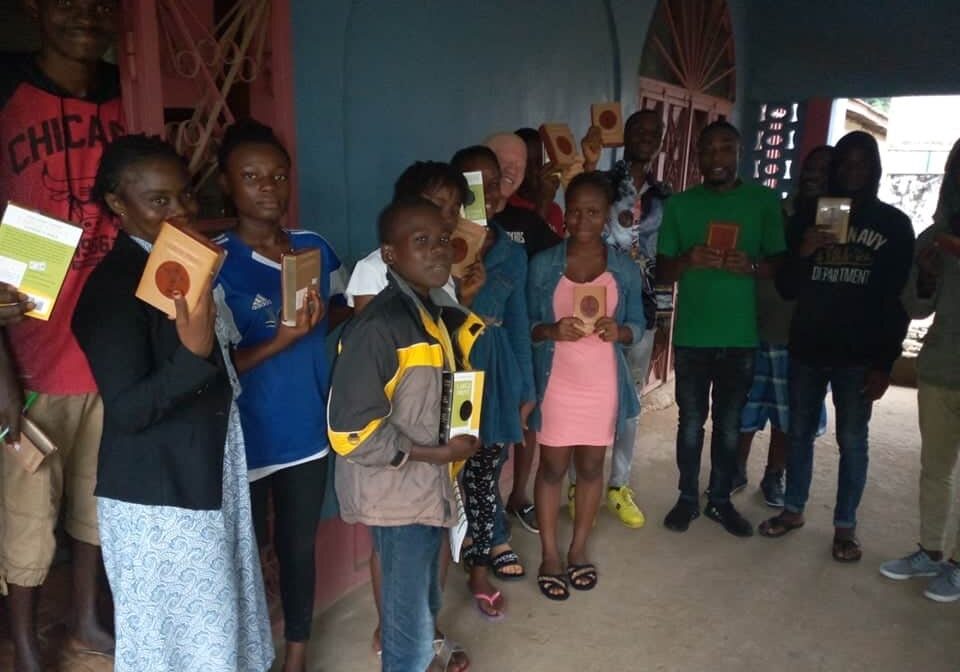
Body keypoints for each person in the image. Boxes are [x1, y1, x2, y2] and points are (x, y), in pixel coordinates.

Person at [71, 134, 273, 672]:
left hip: (203, 473)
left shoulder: (181, 264)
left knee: (214, 627)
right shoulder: (112, 290)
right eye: (159, 200)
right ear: (118, 204)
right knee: (179, 646)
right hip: (158, 499)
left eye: (184, 196)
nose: (181, 210)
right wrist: (192, 354)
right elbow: (131, 410)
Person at [0, 2, 123, 669]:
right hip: (30, 358)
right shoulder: (9, 92)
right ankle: (21, 643)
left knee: (95, 508)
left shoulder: (128, 96)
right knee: (25, 518)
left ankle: (84, 623)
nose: (86, 14)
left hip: (108, 348)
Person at [212, 119, 350, 671]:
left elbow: (338, 310)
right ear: (227, 185)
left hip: (306, 429)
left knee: (296, 545)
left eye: (277, 175)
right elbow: (217, 366)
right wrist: (283, 339)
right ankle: (246, 650)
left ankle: (296, 652)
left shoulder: (314, 248)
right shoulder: (215, 262)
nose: (267, 187)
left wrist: (335, 316)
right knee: (244, 552)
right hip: (244, 434)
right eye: (251, 176)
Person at [327, 197, 483, 671]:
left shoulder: (429, 312)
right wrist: (437, 454)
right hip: (397, 495)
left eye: (442, 240)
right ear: (389, 255)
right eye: (421, 242)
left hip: (419, 487)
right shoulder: (379, 327)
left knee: (420, 604)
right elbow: (351, 432)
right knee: (406, 624)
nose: (438, 251)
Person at [760, 131, 915, 563]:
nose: (852, 172)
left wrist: (885, 362)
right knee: (800, 435)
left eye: (862, 164)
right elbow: (788, 288)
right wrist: (804, 249)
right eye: (844, 163)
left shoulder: (893, 225)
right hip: (808, 348)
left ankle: (845, 526)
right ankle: (793, 511)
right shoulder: (810, 215)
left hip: (859, 356)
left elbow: (897, 302)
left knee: (853, 440)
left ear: (876, 169)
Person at [656, 120, 786, 538]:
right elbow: (661, 272)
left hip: (740, 337)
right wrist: (688, 259)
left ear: (739, 152)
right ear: (698, 155)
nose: (716, 157)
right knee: (690, 422)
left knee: (730, 425)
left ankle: (720, 500)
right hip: (693, 335)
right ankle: (687, 498)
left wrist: (749, 266)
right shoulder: (679, 205)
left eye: (725, 148)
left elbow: (782, 268)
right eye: (708, 149)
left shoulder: (764, 201)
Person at [528, 171, 645, 601]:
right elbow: (525, 327)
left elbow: (639, 324)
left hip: (601, 384)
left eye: (592, 212)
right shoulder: (543, 265)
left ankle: (577, 550)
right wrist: (550, 330)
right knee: (554, 467)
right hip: (556, 382)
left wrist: (623, 333)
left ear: (606, 216)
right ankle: (549, 555)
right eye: (574, 210)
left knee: (592, 468)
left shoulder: (623, 269)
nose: (581, 219)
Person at [567, 109, 669, 529]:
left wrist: (661, 318)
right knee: (584, 396)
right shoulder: (604, 184)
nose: (646, 137)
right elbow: (576, 227)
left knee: (629, 405)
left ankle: (618, 485)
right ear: (624, 135)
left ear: (661, 140)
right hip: (594, 304)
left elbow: (662, 261)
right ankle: (577, 484)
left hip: (640, 311)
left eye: (654, 132)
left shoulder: (665, 196)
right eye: (639, 130)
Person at [449, 145, 535, 620]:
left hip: (496, 374)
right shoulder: (435, 244)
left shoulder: (511, 252)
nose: (490, 193)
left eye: (497, 181)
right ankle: (450, 559)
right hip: (449, 370)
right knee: (448, 475)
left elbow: (519, 323)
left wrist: (525, 391)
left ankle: (479, 566)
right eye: (474, 184)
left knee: (484, 472)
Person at [880, 139, 960, 600]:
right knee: (936, 468)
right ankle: (930, 551)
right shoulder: (934, 239)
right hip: (941, 368)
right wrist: (929, 275)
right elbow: (914, 307)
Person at [736, 146, 833, 507]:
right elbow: (756, 259)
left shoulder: (838, 223)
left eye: (824, 170)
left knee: (788, 415)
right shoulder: (775, 211)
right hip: (759, 324)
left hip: (804, 336)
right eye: (809, 167)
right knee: (746, 405)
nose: (813, 175)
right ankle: (736, 469)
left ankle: (774, 474)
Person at [485, 132, 562, 535]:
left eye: (519, 165)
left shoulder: (518, 232)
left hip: (512, 346)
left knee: (501, 443)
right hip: (454, 361)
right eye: (501, 161)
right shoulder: (445, 227)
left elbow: (558, 261)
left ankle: (507, 513)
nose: (509, 172)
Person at [345, 161, 469, 311]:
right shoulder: (373, 269)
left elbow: (447, 330)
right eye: (436, 205)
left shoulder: (439, 264)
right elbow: (367, 330)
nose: (446, 217)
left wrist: (465, 299)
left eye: (454, 211)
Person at [512, 127, 564, 237]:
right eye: (526, 163)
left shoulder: (555, 210)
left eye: (540, 161)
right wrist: (544, 202)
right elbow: (527, 249)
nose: (535, 170)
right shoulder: (505, 208)